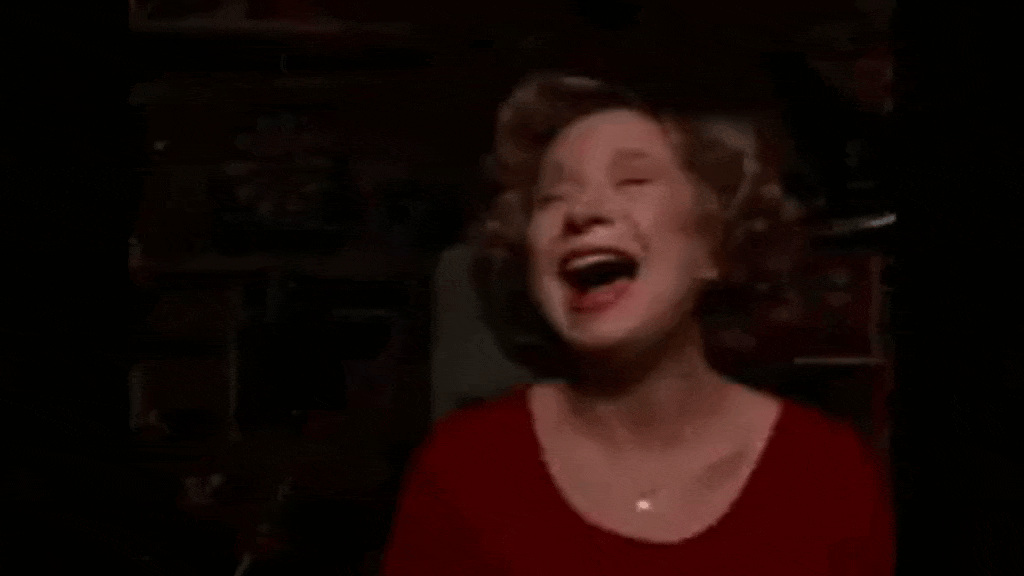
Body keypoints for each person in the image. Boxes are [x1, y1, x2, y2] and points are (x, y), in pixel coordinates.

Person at [381, 72, 894, 575]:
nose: (582, 212)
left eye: (632, 180)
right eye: (552, 197)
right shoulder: (467, 466)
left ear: (715, 244)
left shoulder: (826, 471)